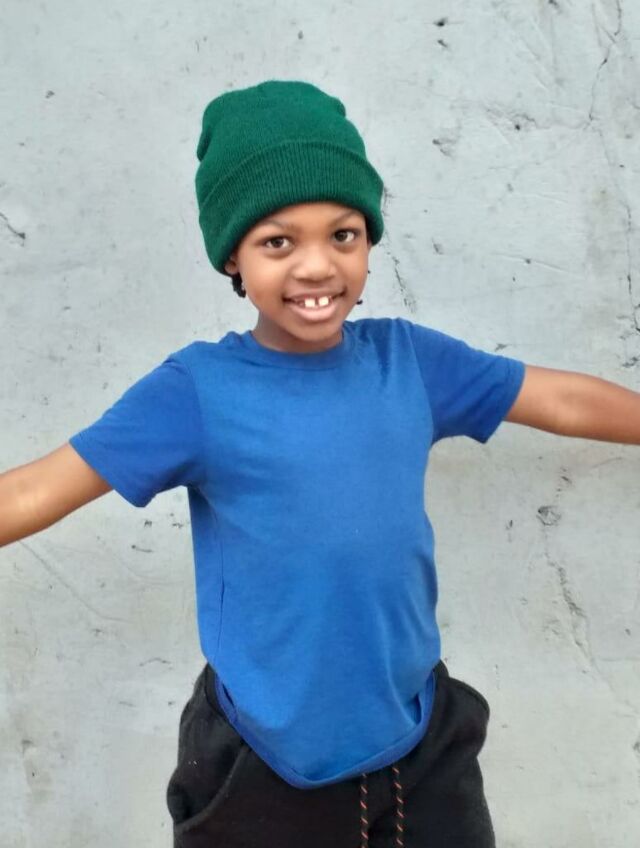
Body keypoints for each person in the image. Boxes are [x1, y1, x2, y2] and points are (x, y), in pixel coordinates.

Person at [1, 80, 639, 848]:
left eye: (344, 235)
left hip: (420, 746)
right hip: (261, 762)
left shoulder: (410, 362)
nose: (317, 266)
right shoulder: (196, 392)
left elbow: (559, 399)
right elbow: (38, 488)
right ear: (233, 256)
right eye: (279, 242)